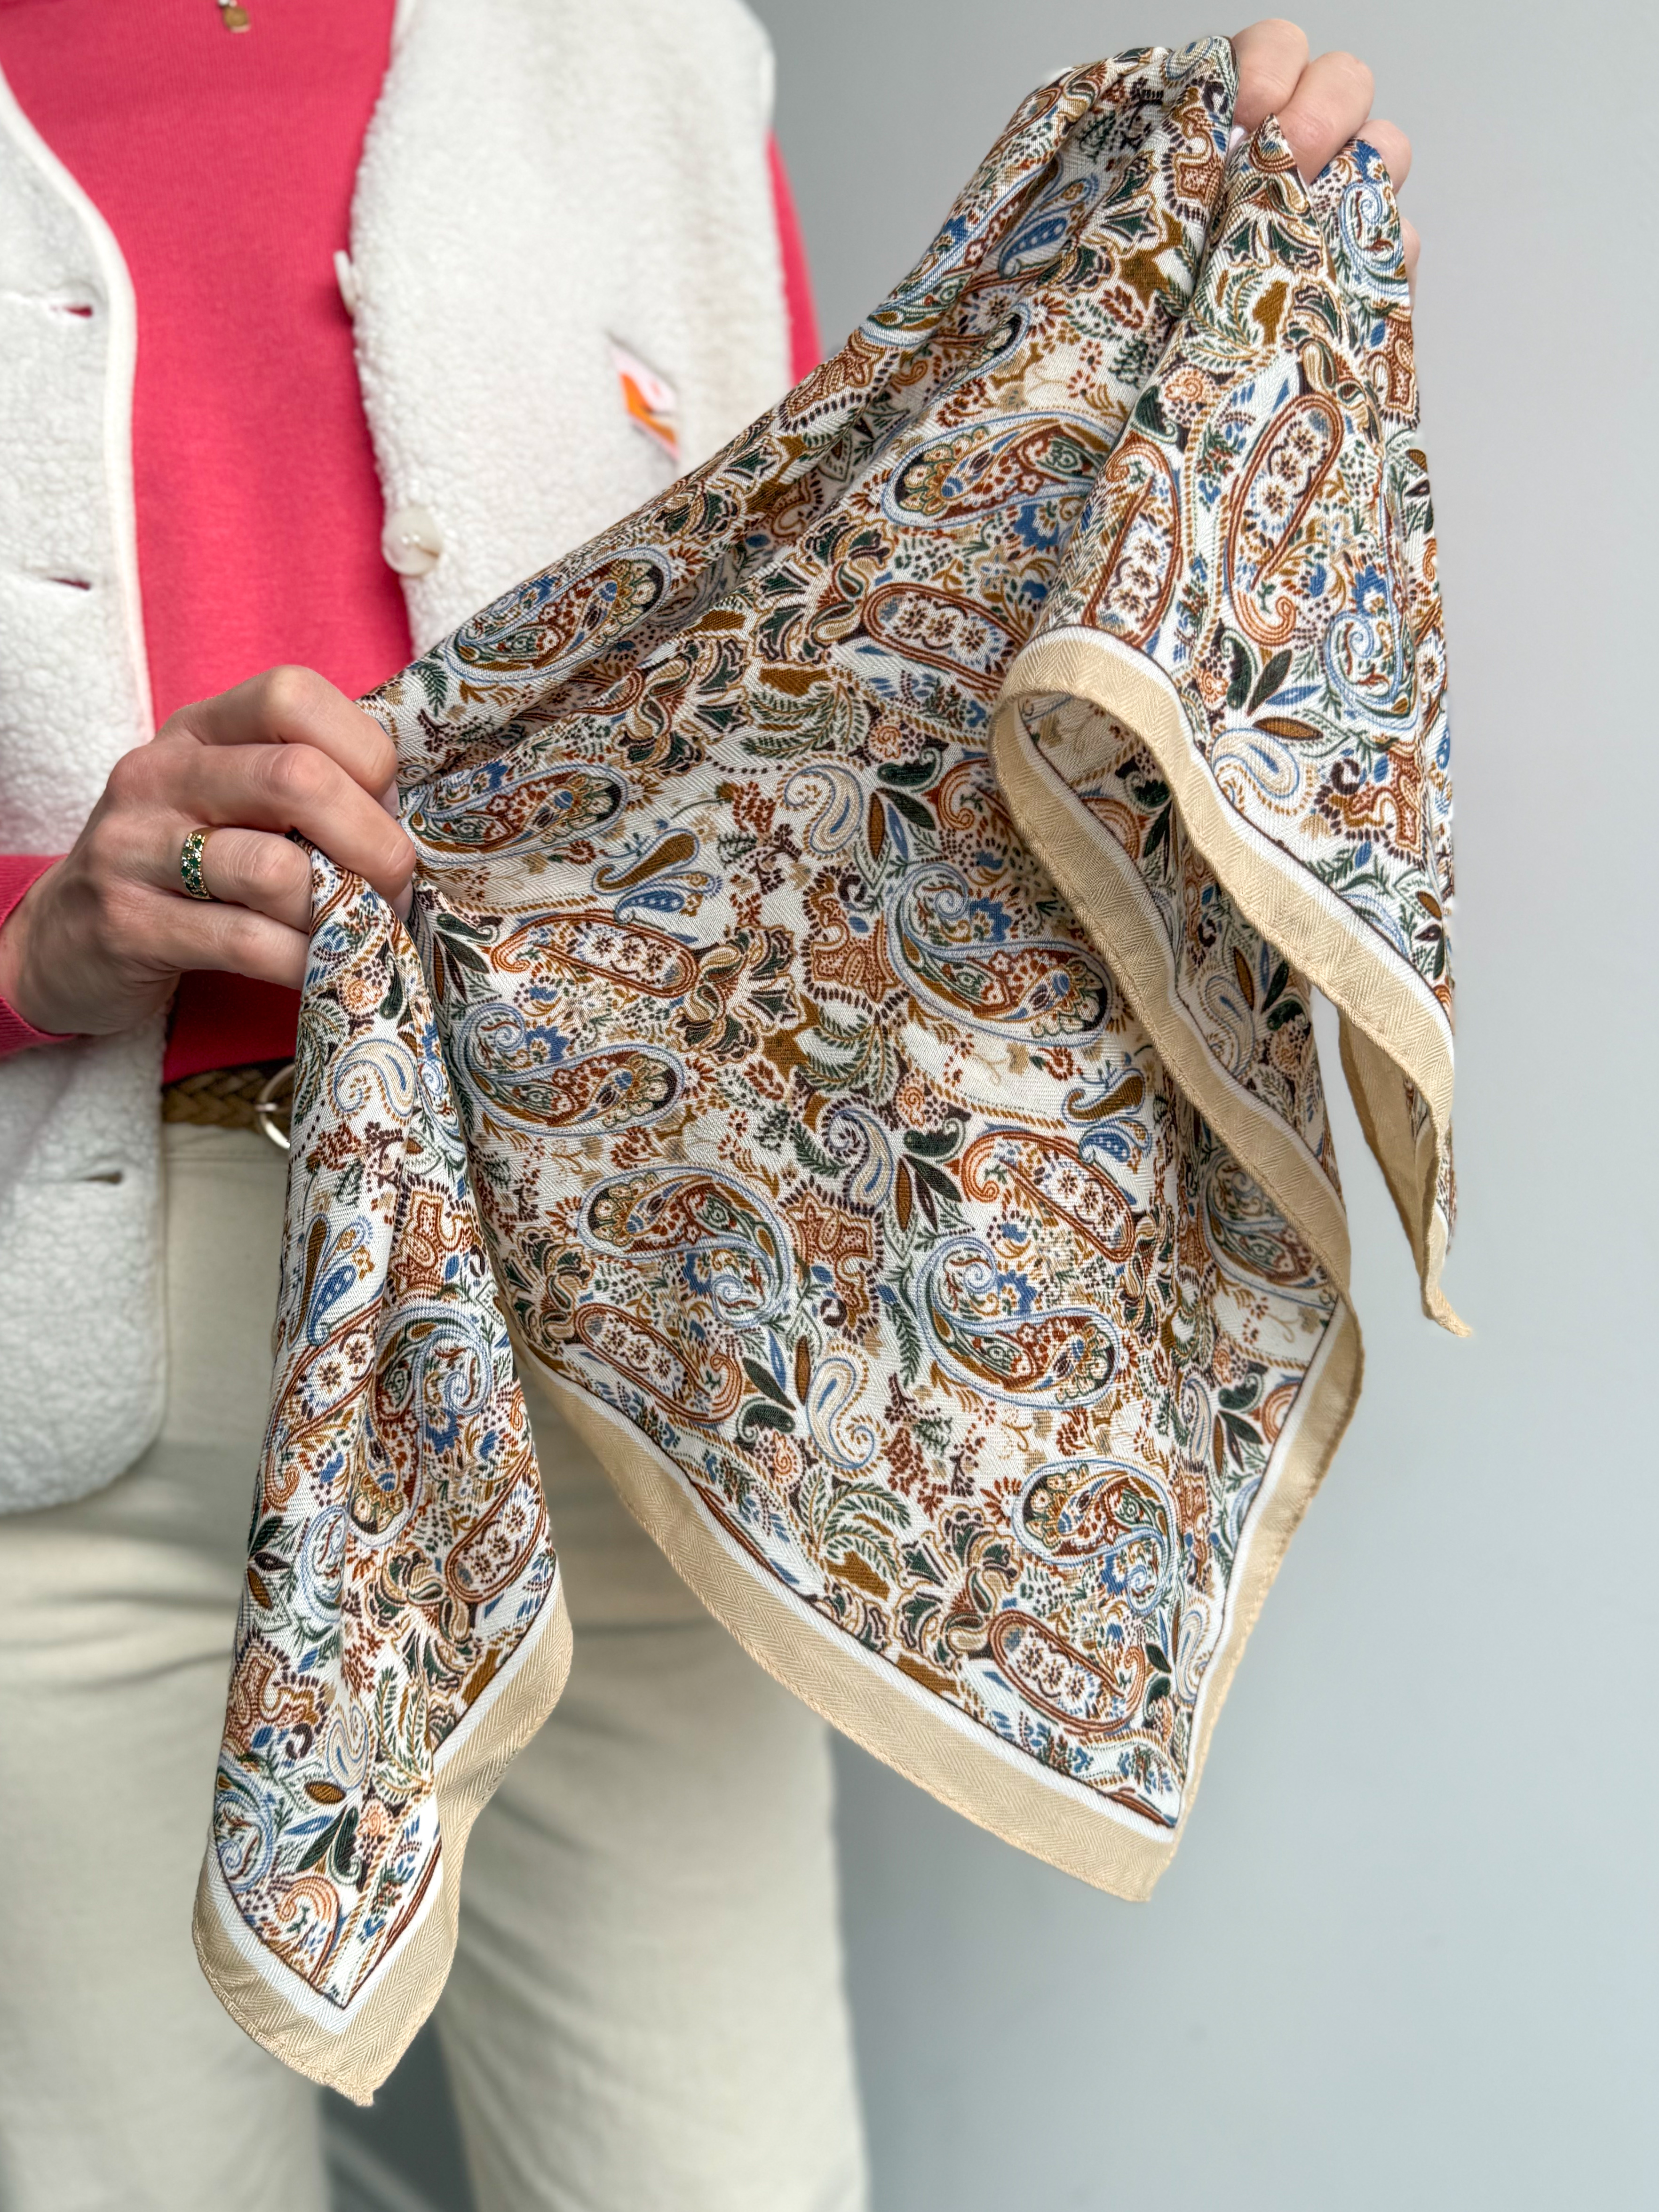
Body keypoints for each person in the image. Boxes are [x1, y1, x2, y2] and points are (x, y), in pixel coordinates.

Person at [0, 9, 1418, 2209]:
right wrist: (36, 942)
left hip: (627, 1362)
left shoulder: (638, 50)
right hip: (77, 1426)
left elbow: (824, 675)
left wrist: (1192, 242)